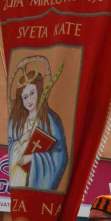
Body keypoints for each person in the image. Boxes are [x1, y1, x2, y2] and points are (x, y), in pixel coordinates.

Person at [7, 57, 68, 190]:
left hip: (37, 182)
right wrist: (20, 142)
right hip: (19, 179)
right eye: (25, 97)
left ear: (39, 91)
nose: (29, 100)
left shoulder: (51, 120)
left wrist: (32, 159)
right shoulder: (15, 122)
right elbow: (10, 144)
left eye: (32, 93)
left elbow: (60, 154)